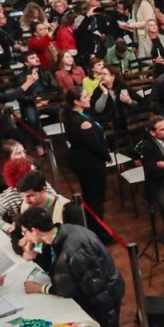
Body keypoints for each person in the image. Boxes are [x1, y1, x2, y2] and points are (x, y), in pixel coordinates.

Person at [20, 207, 125, 327]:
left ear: (34, 231)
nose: (25, 237)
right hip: (99, 292)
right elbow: (55, 267)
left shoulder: (74, 248)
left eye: (25, 232)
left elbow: (68, 287)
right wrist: (34, 254)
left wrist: (40, 288)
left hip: (102, 298)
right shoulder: (60, 233)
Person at [61, 86, 111, 231]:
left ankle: (96, 227)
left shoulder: (80, 115)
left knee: (92, 197)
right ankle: (97, 229)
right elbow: (95, 144)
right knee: (95, 198)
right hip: (89, 164)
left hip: (86, 161)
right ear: (76, 102)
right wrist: (106, 155)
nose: (88, 98)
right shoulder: (80, 121)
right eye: (85, 96)